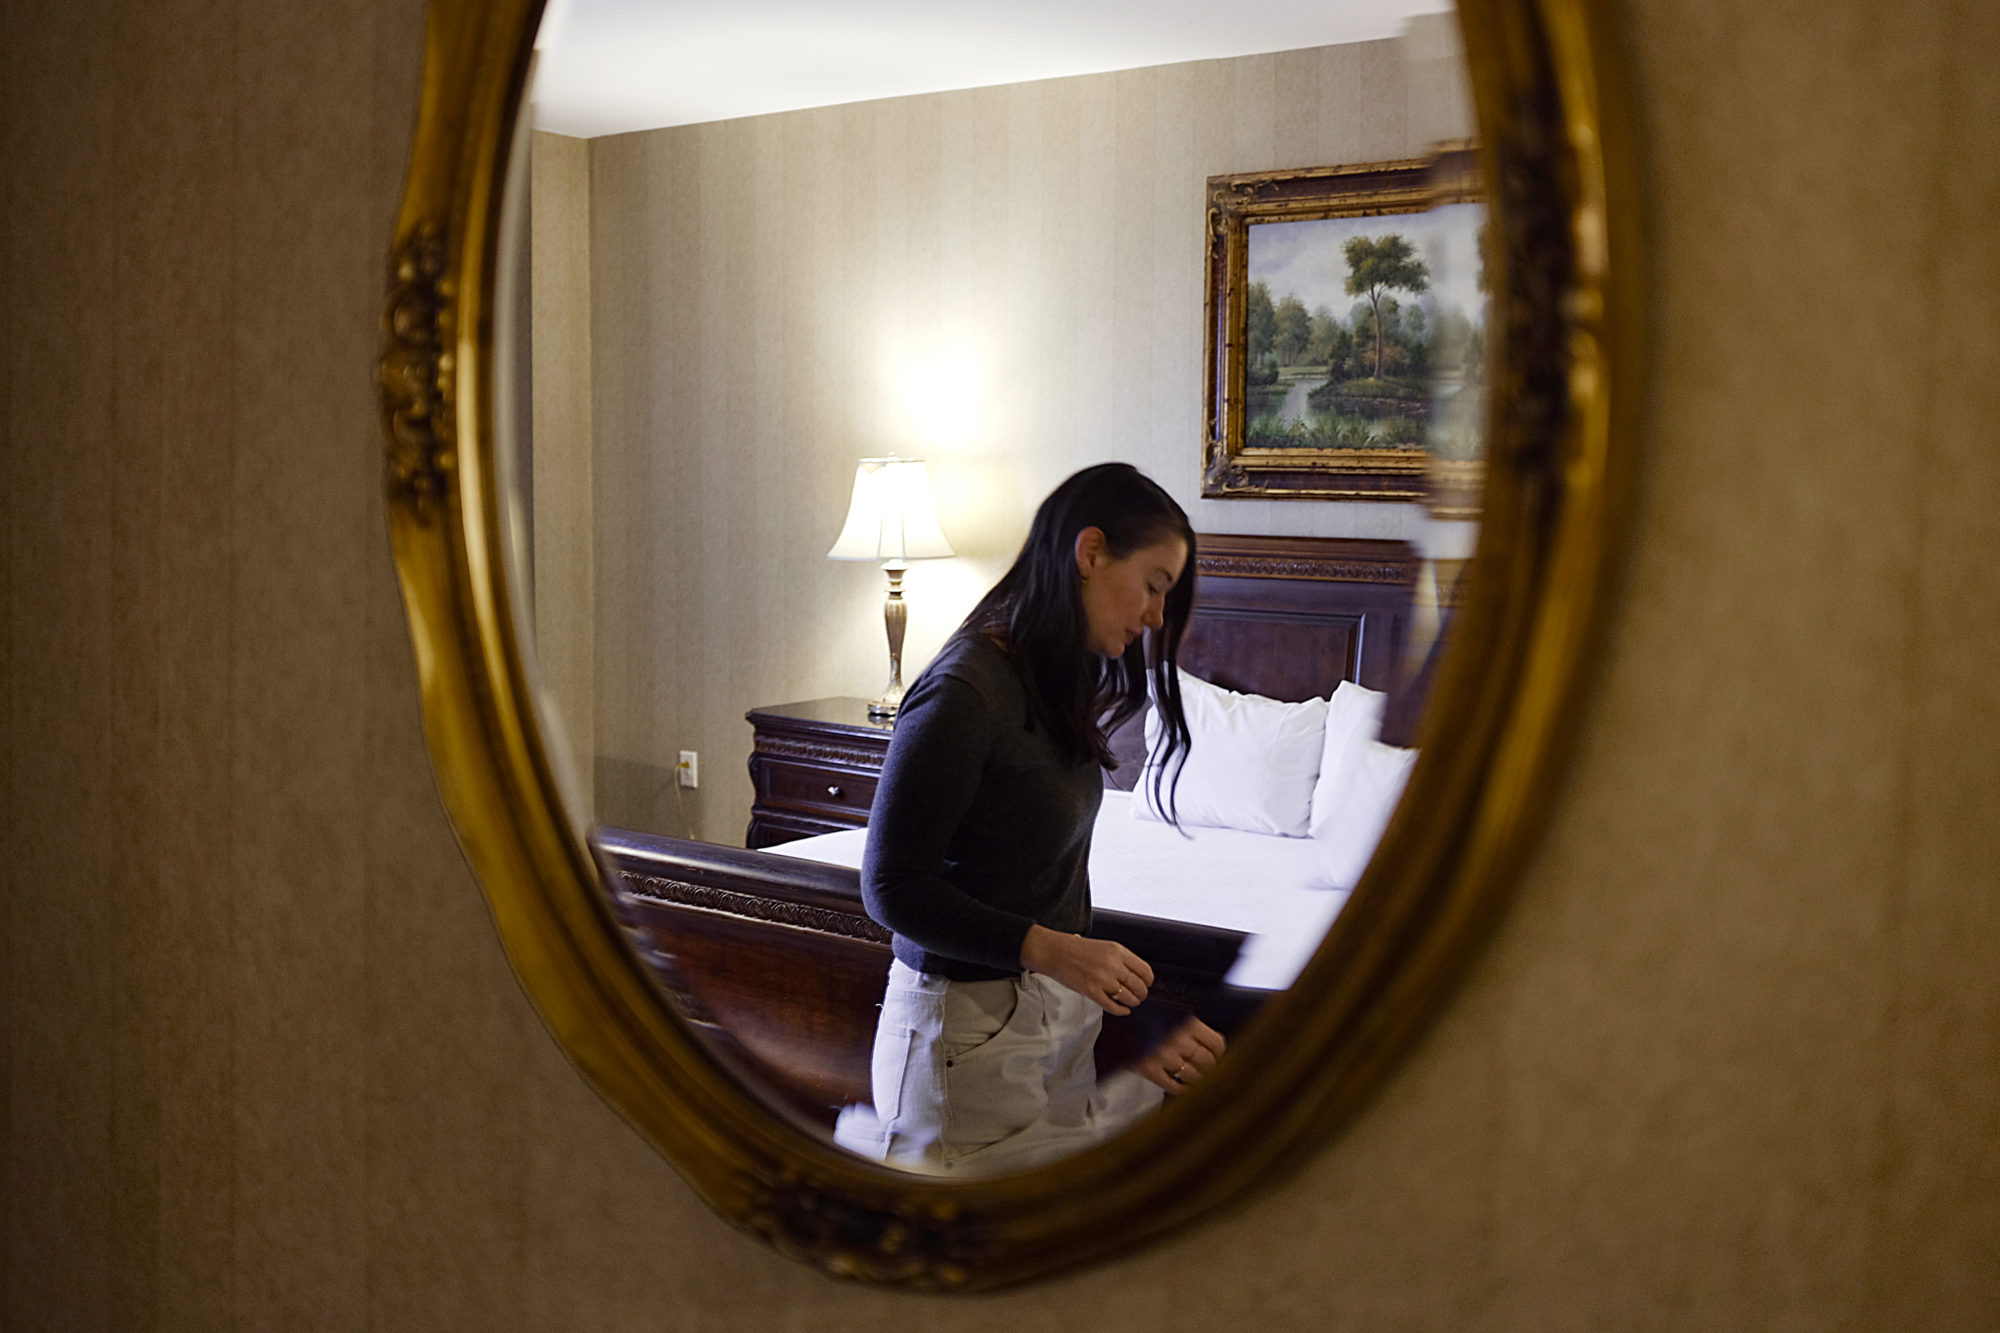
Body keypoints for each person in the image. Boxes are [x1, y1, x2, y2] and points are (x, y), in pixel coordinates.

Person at [834, 462, 1226, 1175]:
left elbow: (1039, 880)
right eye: (1153, 586)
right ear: (1091, 552)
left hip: (1043, 1028)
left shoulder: (1051, 679)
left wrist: (1136, 1028)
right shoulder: (963, 692)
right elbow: (890, 885)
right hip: (960, 1038)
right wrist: (1054, 950)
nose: (1156, 619)